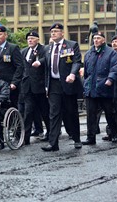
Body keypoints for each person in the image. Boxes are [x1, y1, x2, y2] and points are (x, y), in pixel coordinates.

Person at [42, 23, 83, 151]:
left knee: (71, 112)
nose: (53, 33)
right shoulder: (48, 48)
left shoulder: (71, 45)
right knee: (53, 113)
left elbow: (76, 61)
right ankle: (53, 143)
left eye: (56, 31)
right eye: (52, 31)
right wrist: (46, 86)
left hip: (67, 83)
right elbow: (47, 68)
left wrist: (72, 74)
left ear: (62, 33)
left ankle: (76, 139)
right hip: (54, 84)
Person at [82, 32, 117, 145]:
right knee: (91, 114)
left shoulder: (110, 52)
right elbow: (86, 71)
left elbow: (115, 67)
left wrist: (110, 79)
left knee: (109, 113)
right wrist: (86, 83)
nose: (96, 40)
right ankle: (90, 137)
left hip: (104, 87)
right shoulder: (89, 53)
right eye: (94, 38)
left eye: (98, 38)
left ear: (103, 40)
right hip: (91, 88)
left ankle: (113, 133)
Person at [21, 31, 50, 145]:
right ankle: (25, 137)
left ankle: (51, 132)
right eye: (28, 38)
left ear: (37, 39)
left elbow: (47, 59)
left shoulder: (44, 50)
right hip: (27, 87)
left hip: (40, 86)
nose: (30, 40)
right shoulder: (24, 51)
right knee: (28, 112)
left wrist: (40, 62)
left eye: (32, 38)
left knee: (45, 112)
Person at [0, 26, 24, 107]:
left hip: (9, 84)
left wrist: (15, 82)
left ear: (6, 35)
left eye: (0, 34)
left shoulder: (13, 48)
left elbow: (19, 66)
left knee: (11, 106)